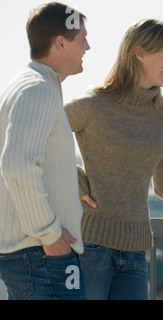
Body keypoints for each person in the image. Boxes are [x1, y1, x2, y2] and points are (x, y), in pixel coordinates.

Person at [64, 19, 163, 300]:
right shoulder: (93, 106)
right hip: (91, 249)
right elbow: (34, 135)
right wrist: (72, 177)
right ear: (140, 53)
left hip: (136, 253)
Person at [0, 2, 90, 300]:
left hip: (37, 255)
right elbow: (16, 164)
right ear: (60, 43)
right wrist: (50, 235)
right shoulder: (37, 89)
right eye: (82, 39)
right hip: (42, 256)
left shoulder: (27, 86)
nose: (88, 47)